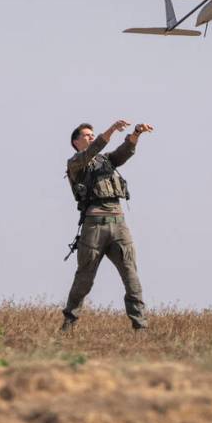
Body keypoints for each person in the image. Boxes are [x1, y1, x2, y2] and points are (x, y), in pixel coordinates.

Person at [62, 120, 154, 331]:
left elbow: (123, 153)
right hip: (94, 227)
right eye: (86, 135)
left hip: (119, 224)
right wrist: (111, 129)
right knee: (84, 279)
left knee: (131, 277)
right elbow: (94, 149)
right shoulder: (75, 162)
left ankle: (140, 327)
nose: (91, 137)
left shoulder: (106, 160)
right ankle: (68, 324)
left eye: (93, 134)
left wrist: (136, 134)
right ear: (76, 142)